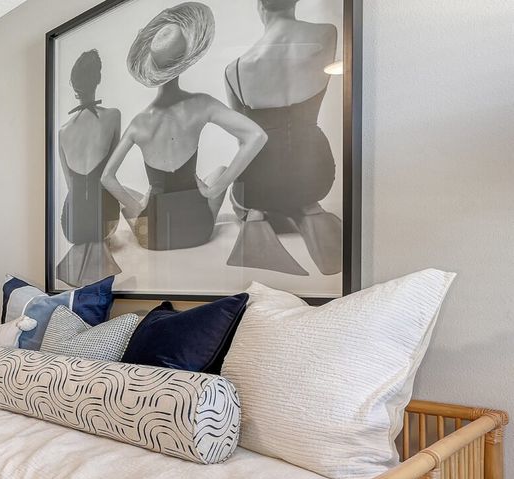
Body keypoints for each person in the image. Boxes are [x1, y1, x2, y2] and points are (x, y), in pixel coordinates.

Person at [103, 2, 267, 252]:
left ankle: (149, 206)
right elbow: (256, 135)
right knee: (221, 169)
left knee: (132, 192)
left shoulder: (139, 123)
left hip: (155, 237)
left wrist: (140, 209)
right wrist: (215, 189)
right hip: (198, 229)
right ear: (185, 60)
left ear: (152, 64)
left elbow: (107, 178)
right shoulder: (201, 104)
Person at [224, 0, 342, 275]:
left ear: (259, 6)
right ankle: (308, 207)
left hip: (258, 185)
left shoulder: (235, 68)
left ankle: (256, 214)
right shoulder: (327, 34)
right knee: (302, 190)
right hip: (316, 174)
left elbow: (245, 139)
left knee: (241, 193)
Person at [55, 50, 122, 287]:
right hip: (105, 217)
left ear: (73, 85)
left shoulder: (63, 131)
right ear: (98, 80)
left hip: (71, 223)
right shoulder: (113, 116)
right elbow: (110, 175)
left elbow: (70, 184)